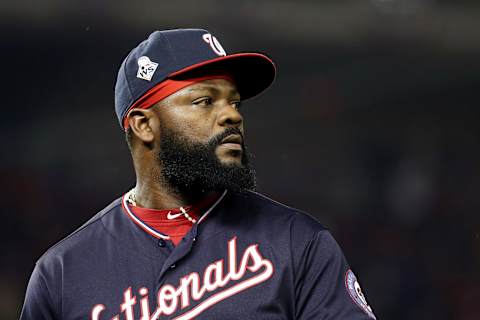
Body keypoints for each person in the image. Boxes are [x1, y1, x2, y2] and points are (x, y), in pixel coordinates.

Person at [20, 28, 377, 320]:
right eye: (205, 101)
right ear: (144, 125)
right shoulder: (63, 274)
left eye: (233, 102)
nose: (232, 116)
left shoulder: (297, 242)